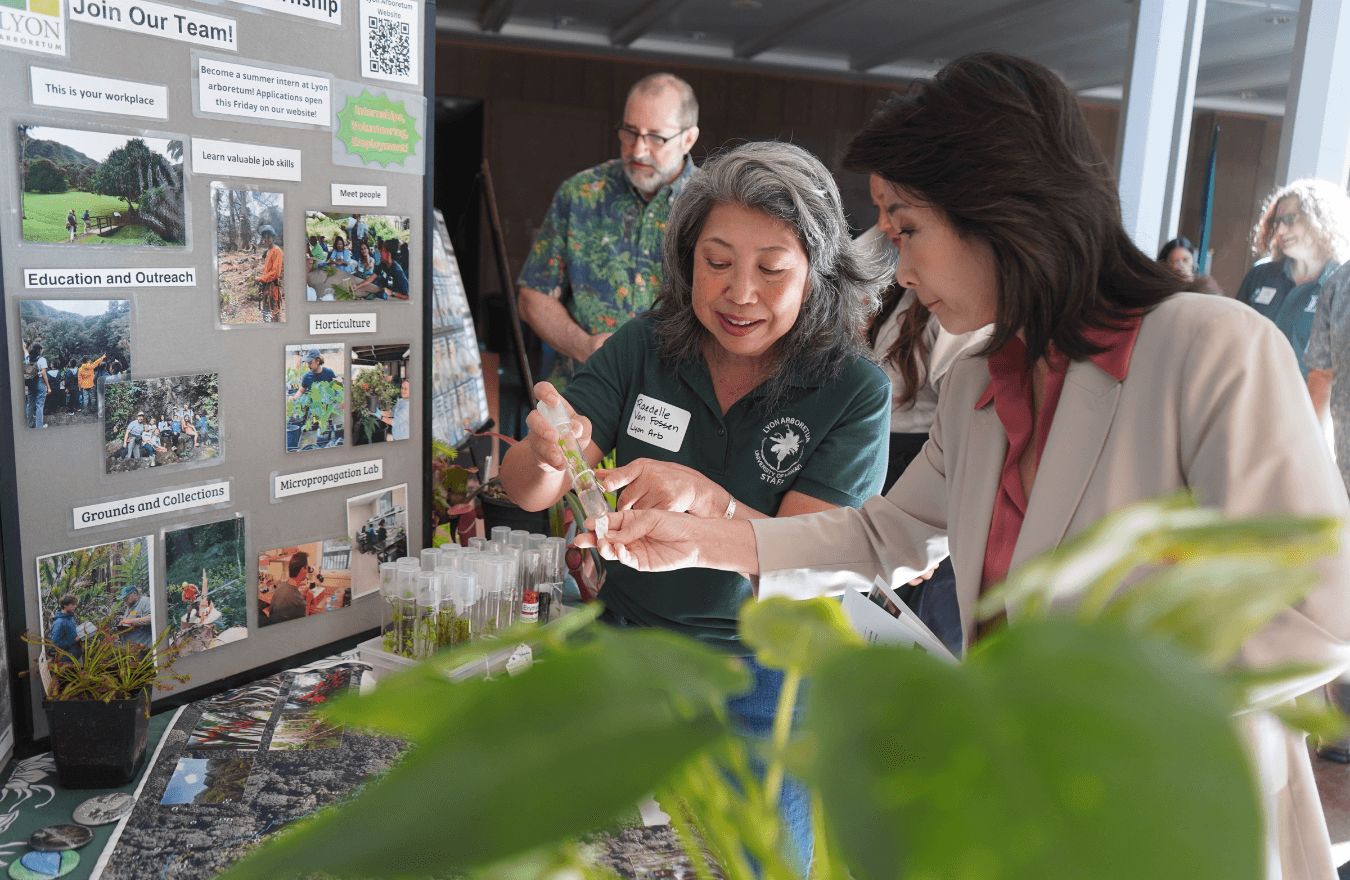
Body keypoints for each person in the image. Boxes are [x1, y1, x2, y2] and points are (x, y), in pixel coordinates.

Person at [587, 53, 1350, 880]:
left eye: (907, 229)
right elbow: (891, 534)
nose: (900, 270)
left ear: (999, 206)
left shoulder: (1209, 348)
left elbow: (1315, 614)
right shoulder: (981, 379)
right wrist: (710, 540)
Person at [501, 141, 891, 872]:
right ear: (687, 260)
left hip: (763, 679)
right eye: (717, 262)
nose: (740, 292)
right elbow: (527, 486)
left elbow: (810, 556)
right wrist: (548, 449)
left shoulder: (852, 389)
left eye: (772, 269)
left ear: (819, 270)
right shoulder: (647, 345)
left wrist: (711, 502)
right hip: (624, 649)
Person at [516, 73, 700, 390]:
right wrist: (584, 346)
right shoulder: (581, 193)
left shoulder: (713, 207)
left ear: (688, 139)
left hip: (676, 399)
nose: (638, 150)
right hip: (581, 391)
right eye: (630, 132)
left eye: (656, 138)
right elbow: (533, 297)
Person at [1236, 178, 1350, 378]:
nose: (1279, 231)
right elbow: (1232, 336)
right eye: (1277, 222)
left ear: (1319, 221)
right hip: (1248, 398)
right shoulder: (1260, 275)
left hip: (1305, 406)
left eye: (1289, 220)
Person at [1157, 236, 1222, 295]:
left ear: (1193, 260)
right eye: (1176, 262)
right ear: (1166, 265)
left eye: (1185, 260)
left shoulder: (1207, 286)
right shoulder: (1162, 291)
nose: (1181, 266)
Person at [254, 225, 284, 323]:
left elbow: (275, 273)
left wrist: (260, 279)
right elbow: (268, 270)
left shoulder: (277, 251)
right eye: (264, 237)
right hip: (267, 288)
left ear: (273, 238)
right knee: (267, 315)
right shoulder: (269, 251)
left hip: (272, 289)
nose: (266, 239)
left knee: (273, 316)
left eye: (269, 237)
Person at [269, 552, 309, 623]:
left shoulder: (281, 585)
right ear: (303, 570)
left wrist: (300, 595)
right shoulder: (300, 602)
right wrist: (307, 601)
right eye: (307, 568)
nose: (307, 571)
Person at [26, 342, 49, 429]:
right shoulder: (42, 360)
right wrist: (48, 386)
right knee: (39, 405)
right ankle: (39, 426)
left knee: (30, 404)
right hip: (39, 382)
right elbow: (44, 374)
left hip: (30, 383)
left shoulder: (29, 359)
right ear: (40, 350)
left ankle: (30, 424)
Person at [50, 595, 80, 662]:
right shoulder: (59, 622)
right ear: (65, 605)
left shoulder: (70, 618)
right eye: (73, 604)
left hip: (74, 658)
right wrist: (74, 640)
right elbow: (54, 645)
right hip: (65, 662)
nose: (75, 606)